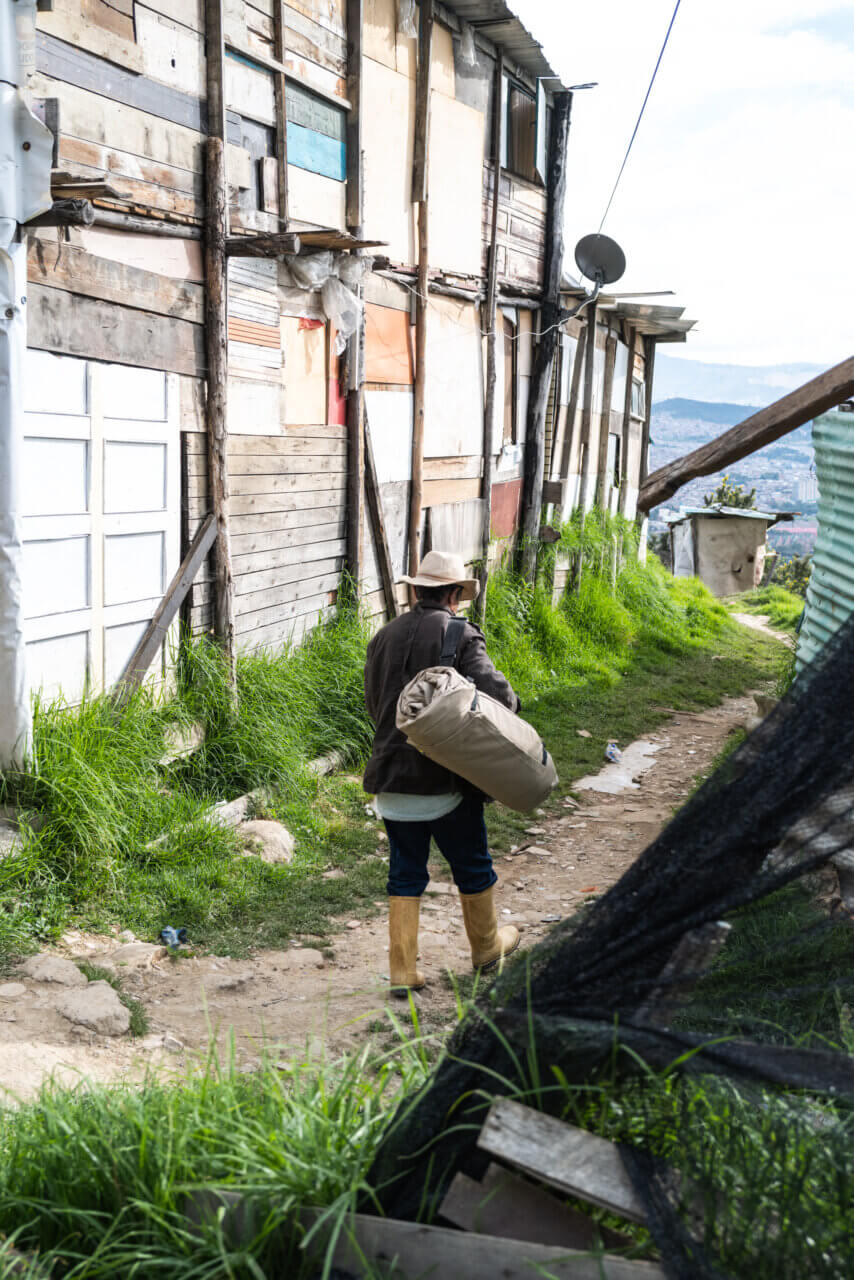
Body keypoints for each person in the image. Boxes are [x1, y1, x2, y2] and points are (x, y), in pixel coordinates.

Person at [363, 549, 522, 995]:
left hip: (390, 779)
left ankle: (402, 970)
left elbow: (375, 705)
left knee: (405, 871)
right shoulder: (461, 634)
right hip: (446, 780)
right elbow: (501, 698)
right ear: (455, 594)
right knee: (472, 863)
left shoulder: (383, 637)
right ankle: (488, 947)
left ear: (416, 591)